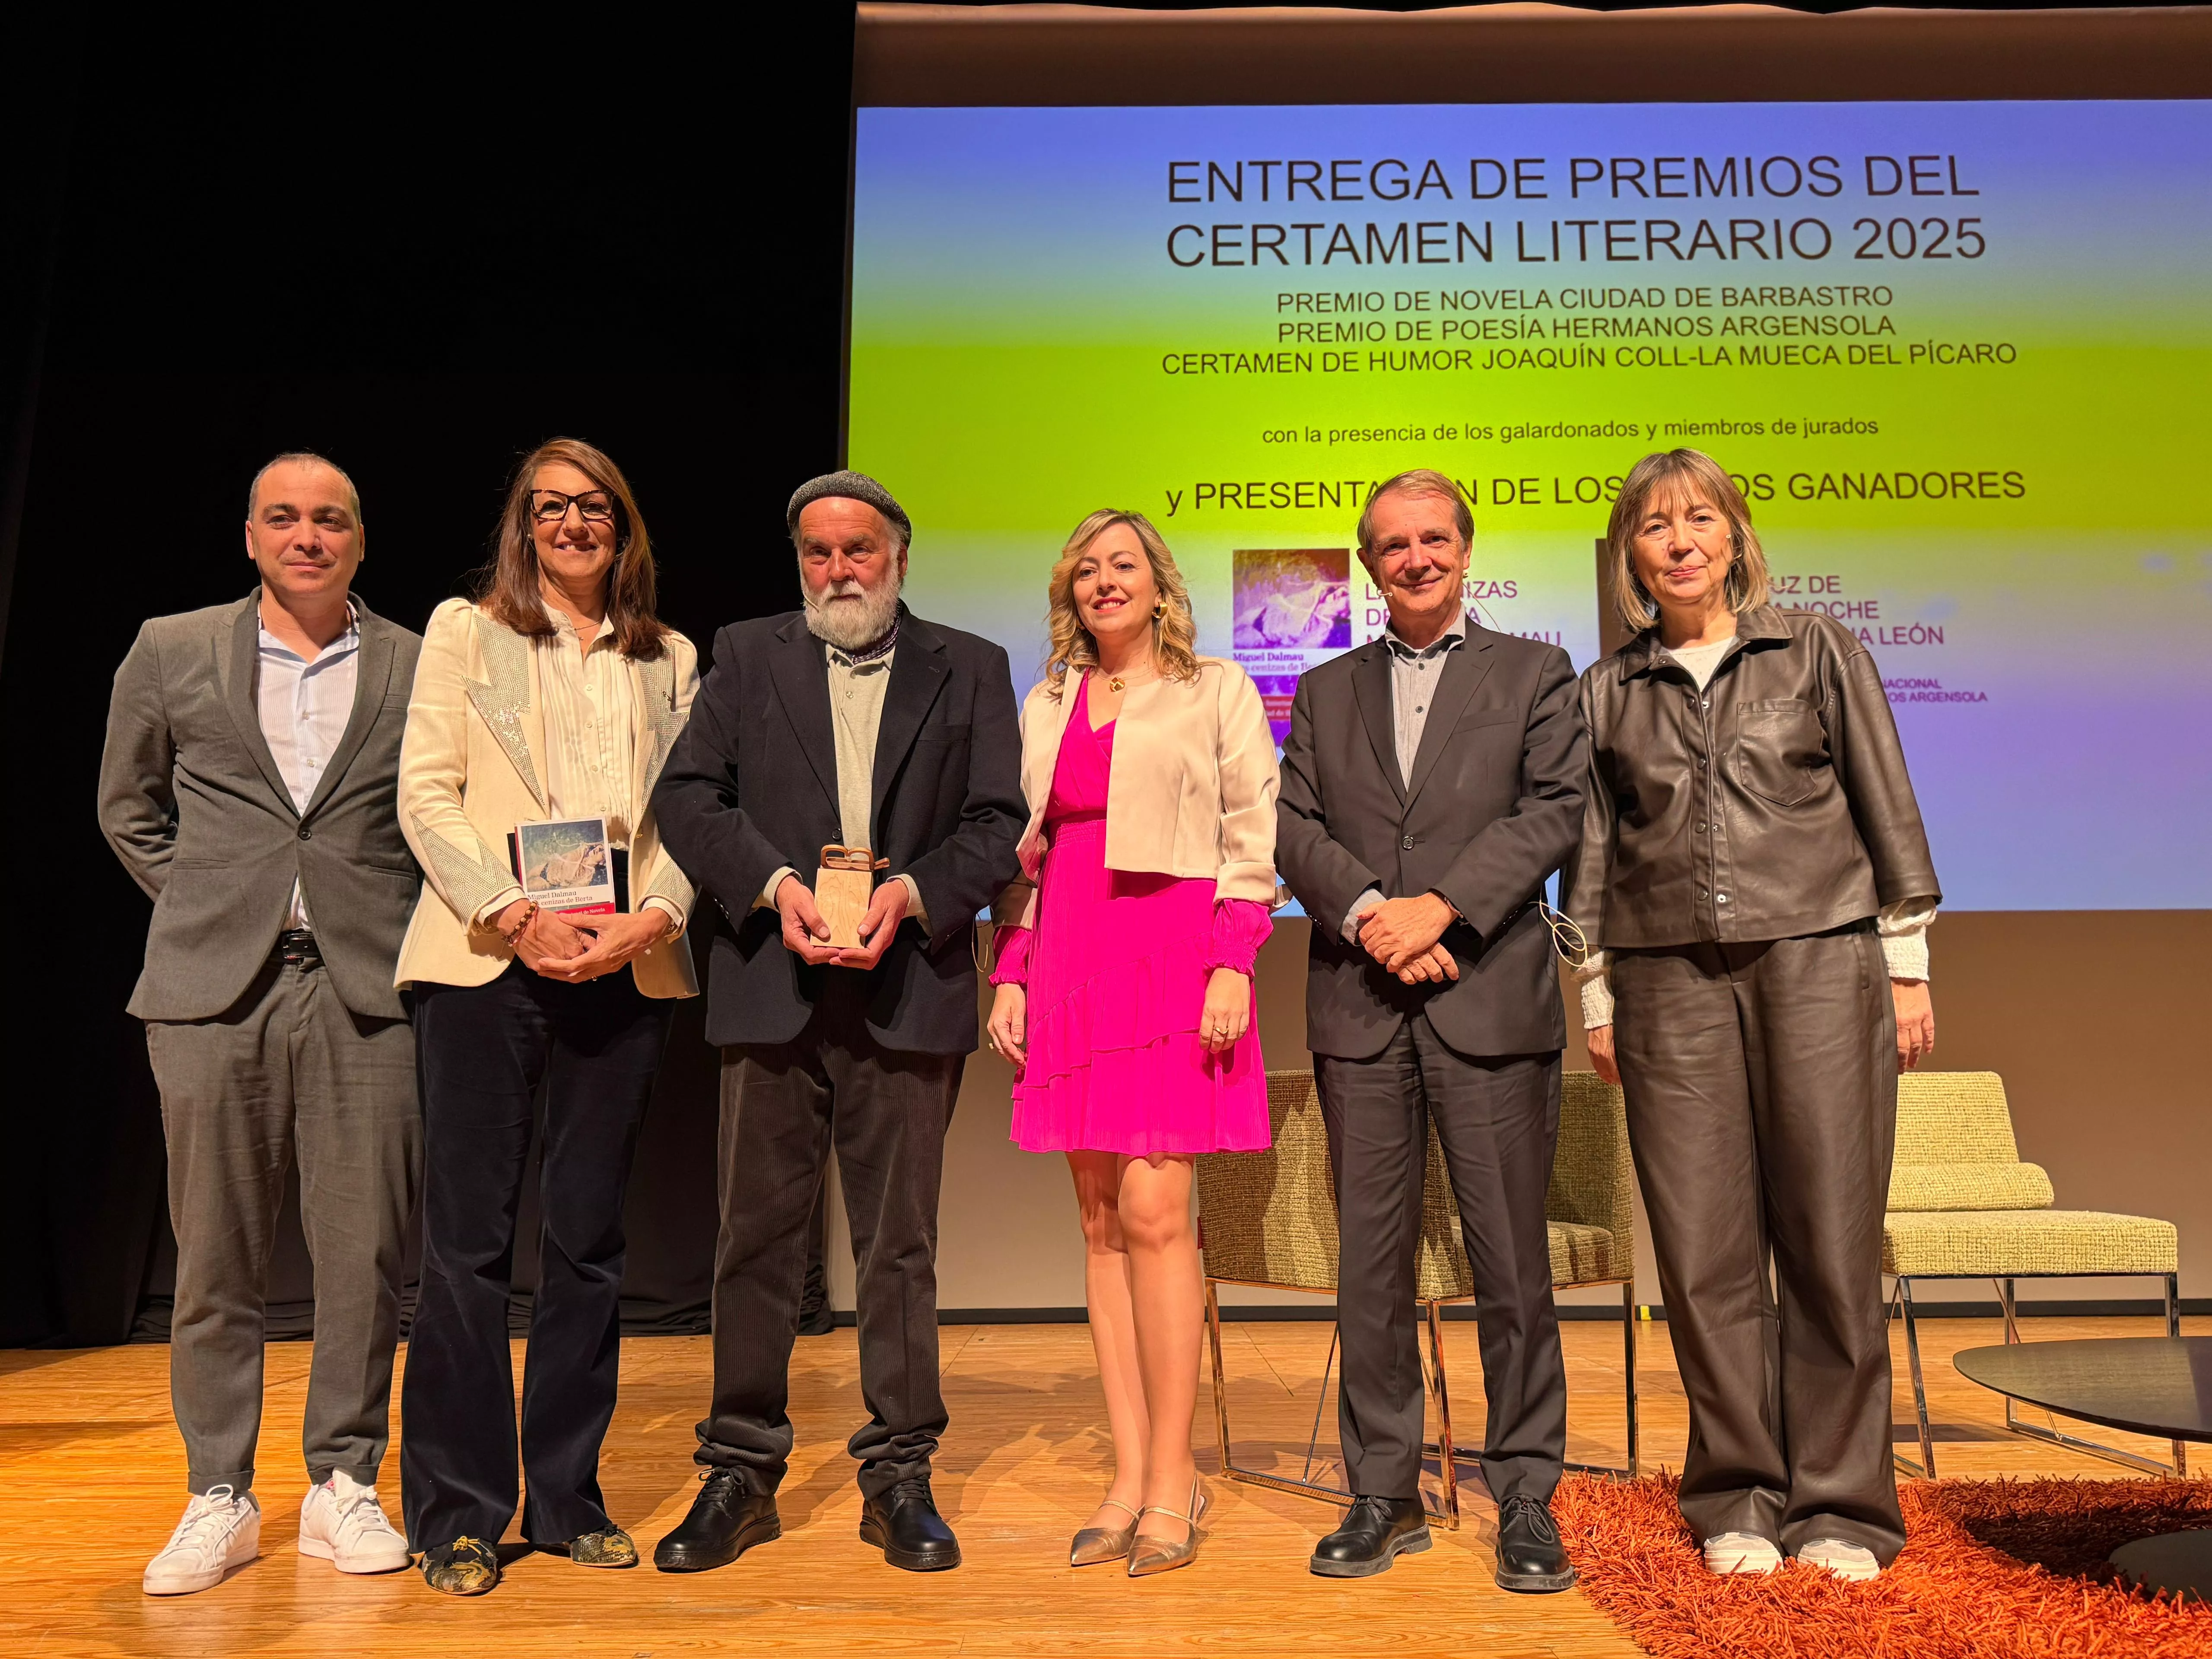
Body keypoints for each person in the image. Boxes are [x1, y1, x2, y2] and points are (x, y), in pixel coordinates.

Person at [1561, 448, 1939, 1583]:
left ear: (1734, 534)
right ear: (1631, 554)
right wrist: (1595, 995)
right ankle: (1739, 1495)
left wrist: (1906, 965)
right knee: (1704, 1250)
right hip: (1667, 985)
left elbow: (1888, 810)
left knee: (1828, 1237)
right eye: (1654, 526)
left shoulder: (1818, 648)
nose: (1679, 541)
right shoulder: (1607, 689)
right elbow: (1589, 857)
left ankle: (1841, 1507)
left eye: (1699, 519)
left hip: (1821, 966)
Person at [650, 470, 1024, 1576]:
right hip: (776, 980)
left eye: (858, 551)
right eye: (817, 554)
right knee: (753, 1240)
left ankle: (899, 1474)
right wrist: (774, 887)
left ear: (898, 558)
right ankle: (742, 1469)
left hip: (908, 986)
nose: (838, 571)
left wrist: (910, 896)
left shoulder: (971, 663)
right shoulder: (748, 653)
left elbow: (997, 820)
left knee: (899, 1248)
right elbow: (688, 798)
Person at [99, 453, 422, 1596]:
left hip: (367, 988)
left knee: (364, 1255)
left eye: (331, 519)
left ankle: (343, 1483)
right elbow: (126, 807)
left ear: (359, 540)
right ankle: (218, 1494)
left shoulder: (412, 664)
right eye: (284, 518)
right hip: (208, 990)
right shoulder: (173, 647)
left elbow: (437, 812)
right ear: (249, 536)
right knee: (216, 1255)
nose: (308, 536)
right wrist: (205, 902)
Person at [395, 437, 699, 1596]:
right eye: (550, 508)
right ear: (523, 527)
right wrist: (518, 914)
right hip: (489, 960)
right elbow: (425, 795)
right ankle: (459, 1514)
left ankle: (567, 1499)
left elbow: (689, 812)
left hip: (623, 964)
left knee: (590, 1246)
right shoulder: (463, 632)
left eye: (595, 509)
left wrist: (655, 916)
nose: (573, 525)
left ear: (623, 529)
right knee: (466, 1250)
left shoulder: (669, 656)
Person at [1275, 469, 1584, 1591]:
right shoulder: (1322, 691)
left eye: (1434, 539)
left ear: (1466, 550)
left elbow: (1554, 808)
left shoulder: (1538, 672)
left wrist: (1439, 910)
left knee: (1511, 1269)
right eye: (1393, 544)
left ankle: (1525, 1500)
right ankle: (1383, 1493)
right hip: (1362, 1009)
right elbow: (1292, 822)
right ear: (1368, 564)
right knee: (1372, 1268)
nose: (1415, 557)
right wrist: (1372, 918)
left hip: (1490, 1003)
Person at [985, 510, 1280, 1578]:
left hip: (1172, 953)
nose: (1105, 582)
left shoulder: (1217, 688)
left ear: (1159, 583)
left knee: (1159, 1213)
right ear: (1070, 592)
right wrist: (1011, 973)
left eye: (1125, 565)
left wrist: (1232, 961)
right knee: (1102, 1219)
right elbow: (1031, 849)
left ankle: (1174, 1474)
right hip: (1070, 952)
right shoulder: (1049, 696)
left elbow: (1254, 833)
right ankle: (1127, 1474)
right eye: (1086, 570)